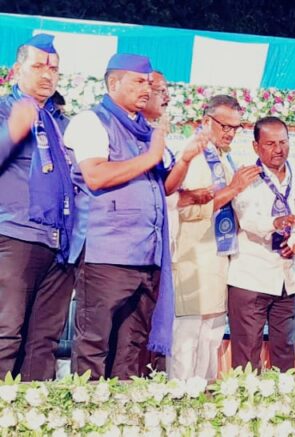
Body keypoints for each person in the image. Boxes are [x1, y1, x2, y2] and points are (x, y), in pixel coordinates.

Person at [64, 53, 176, 379]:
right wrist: (152, 154)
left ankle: (122, 408)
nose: (147, 89)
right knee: (94, 345)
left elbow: (164, 187)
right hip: (106, 256)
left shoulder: (144, 131)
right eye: (138, 82)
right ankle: (87, 407)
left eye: (149, 83)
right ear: (113, 83)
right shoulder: (91, 121)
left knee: (131, 348)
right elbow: (96, 175)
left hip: (147, 256)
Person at [0, 34, 78, 380]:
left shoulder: (62, 123)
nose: (47, 75)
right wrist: (12, 132)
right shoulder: (5, 110)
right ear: (17, 70)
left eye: (54, 69)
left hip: (60, 244)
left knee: (44, 340)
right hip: (15, 235)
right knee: (6, 331)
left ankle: (33, 407)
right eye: (37, 67)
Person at [167, 95, 258, 379]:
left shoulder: (221, 156)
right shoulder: (193, 155)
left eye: (236, 127)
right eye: (225, 126)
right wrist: (234, 188)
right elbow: (185, 208)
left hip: (217, 258)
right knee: (187, 339)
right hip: (192, 258)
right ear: (206, 121)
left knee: (211, 337)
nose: (230, 133)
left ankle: (203, 397)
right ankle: (179, 398)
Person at [226, 116, 295, 371]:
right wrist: (276, 222)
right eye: (270, 144)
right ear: (256, 146)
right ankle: (244, 396)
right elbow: (246, 218)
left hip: (288, 279)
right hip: (250, 278)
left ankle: (283, 395)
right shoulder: (246, 176)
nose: (278, 149)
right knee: (246, 355)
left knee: (285, 351)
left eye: (283, 142)